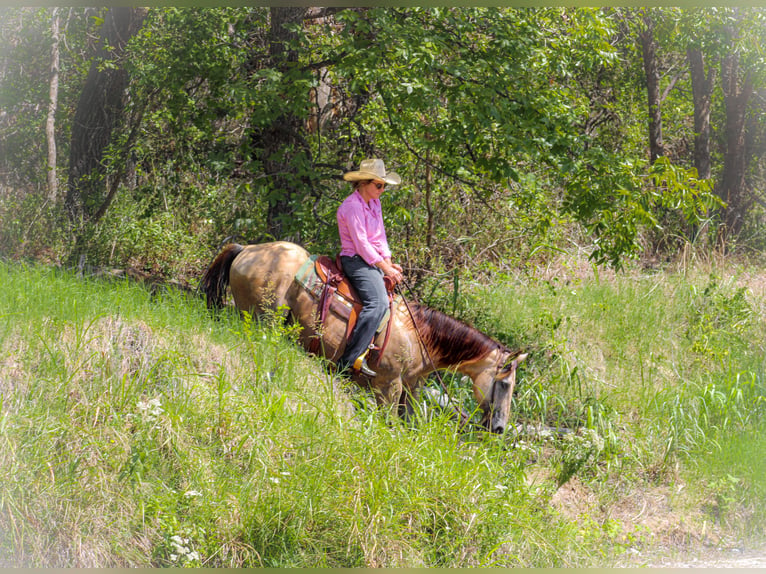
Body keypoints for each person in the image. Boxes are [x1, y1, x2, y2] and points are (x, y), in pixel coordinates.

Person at [336, 158, 405, 377]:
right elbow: (362, 244)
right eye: (379, 185)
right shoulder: (352, 206)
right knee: (377, 303)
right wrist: (386, 268)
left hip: (371, 259)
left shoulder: (374, 203)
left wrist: (389, 261)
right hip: (355, 260)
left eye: (384, 185)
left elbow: (380, 237)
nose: (382, 190)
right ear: (363, 183)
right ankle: (348, 363)